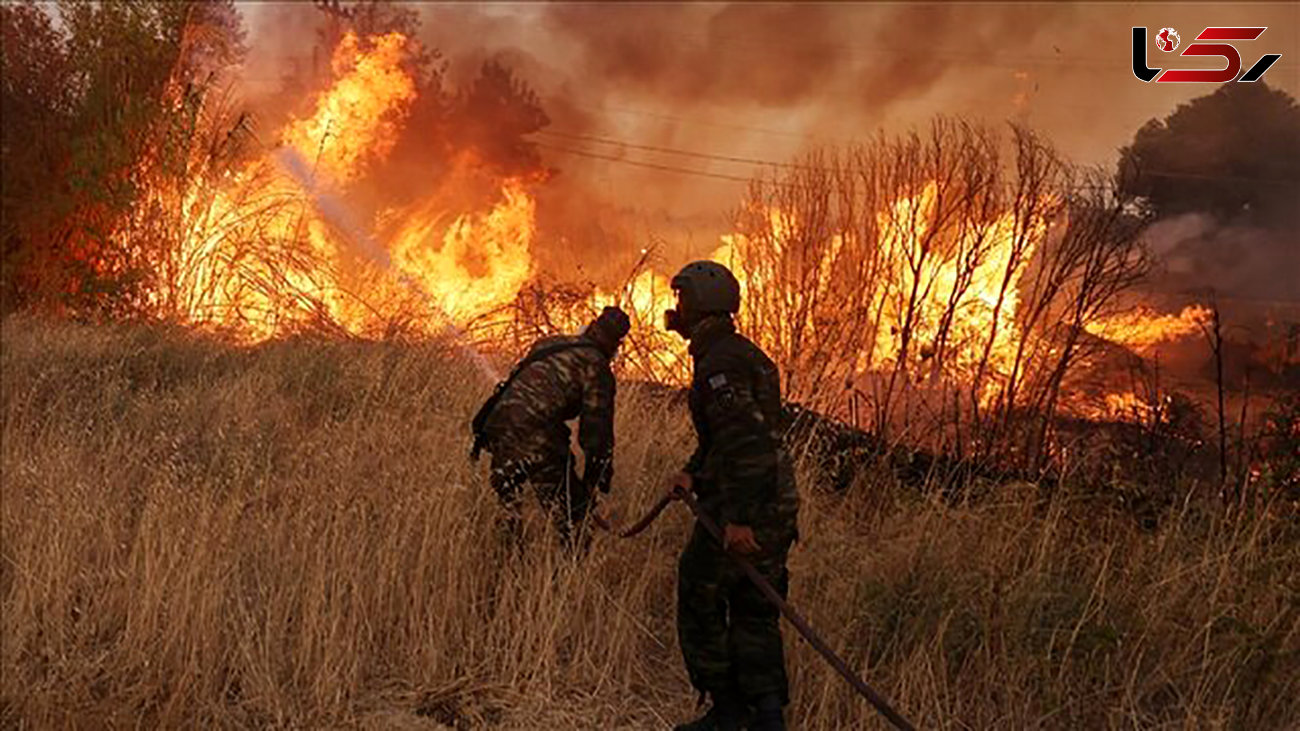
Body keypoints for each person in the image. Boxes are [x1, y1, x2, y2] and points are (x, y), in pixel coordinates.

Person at [664, 261, 799, 731]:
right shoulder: (738, 353)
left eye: (681, 299)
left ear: (699, 303)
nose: (675, 309)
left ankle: (727, 711)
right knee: (753, 607)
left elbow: (746, 444)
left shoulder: (719, 364)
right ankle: (766, 719)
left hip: (752, 503)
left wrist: (739, 519)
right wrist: (693, 475)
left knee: (698, 589)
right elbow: (729, 439)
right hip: (773, 500)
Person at [472, 306, 630, 550]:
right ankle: (566, 581)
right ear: (615, 345)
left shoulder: (550, 343)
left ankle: (506, 572)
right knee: (575, 521)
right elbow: (595, 433)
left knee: (508, 512)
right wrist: (596, 478)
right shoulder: (597, 367)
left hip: (499, 428)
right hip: (537, 437)